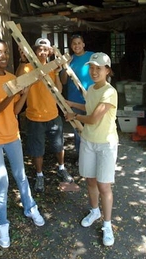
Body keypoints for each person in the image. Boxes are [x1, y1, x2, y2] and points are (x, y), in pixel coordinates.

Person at [0, 39, 45, 249]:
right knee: (1, 180)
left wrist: (25, 93)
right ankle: (2, 224)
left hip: (12, 135)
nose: (3, 56)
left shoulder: (14, 78)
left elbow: (14, 111)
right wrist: (13, 92)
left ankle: (30, 207)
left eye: (5, 53)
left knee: (21, 175)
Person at [65, 52, 118, 247]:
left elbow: (94, 118)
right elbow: (89, 108)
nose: (95, 71)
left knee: (104, 186)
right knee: (90, 181)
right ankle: (95, 211)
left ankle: (107, 224)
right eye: (92, 68)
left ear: (107, 70)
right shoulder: (92, 89)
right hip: (88, 141)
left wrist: (74, 116)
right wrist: (73, 105)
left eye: (99, 68)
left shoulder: (109, 91)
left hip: (105, 144)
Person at [16, 38, 74, 193]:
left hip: (53, 115)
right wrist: (22, 60)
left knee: (58, 145)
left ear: (50, 52)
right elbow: (18, 83)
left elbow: (59, 90)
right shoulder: (28, 67)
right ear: (34, 51)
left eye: (45, 49)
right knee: (37, 150)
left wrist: (57, 70)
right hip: (34, 117)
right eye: (39, 49)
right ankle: (39, 175)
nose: (42, 52)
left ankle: (61, 168)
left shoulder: (52, 67)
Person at [60, 34, 94, 165]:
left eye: (79, 43)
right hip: (74, 100)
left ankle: (92, 156)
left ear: (83, 44)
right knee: (78, 130)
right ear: (71, 46)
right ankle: (81, 157)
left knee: (92, 127)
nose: (77, 46)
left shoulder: (92, 56)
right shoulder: (70, 59)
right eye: (74, 43)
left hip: (91, 98)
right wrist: (65, 67)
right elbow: (63, 81)